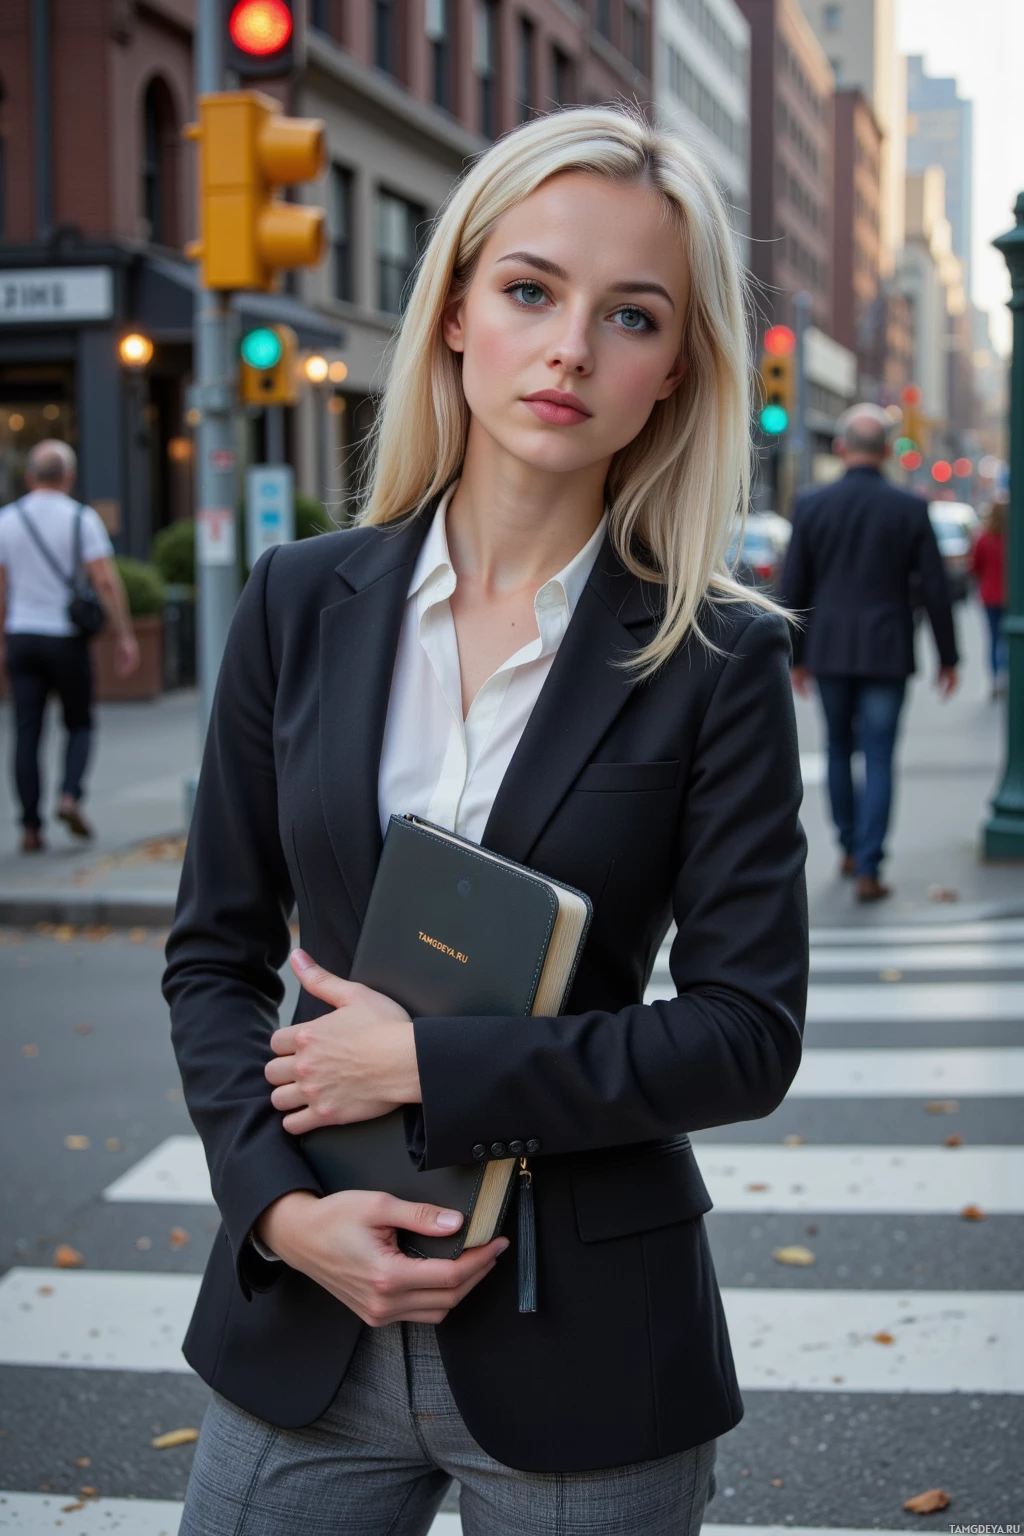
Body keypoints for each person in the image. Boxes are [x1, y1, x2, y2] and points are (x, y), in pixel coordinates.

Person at [163, 106, 808, 1536]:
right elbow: (211, 957)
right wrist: (276, 1213)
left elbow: (747, 1033)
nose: (571, 346)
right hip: (305, 1320)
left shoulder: (719, 660)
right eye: (531, 291)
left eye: (629, 316)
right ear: (456, 309)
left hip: (585, 1335)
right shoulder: (297, 602)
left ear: (674, 377)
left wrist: (433, 1067)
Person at [779, 404, 958, 904]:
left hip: (830, 649)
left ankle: (850, 847)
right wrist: (950, 657)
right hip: (887, 649)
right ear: (885, 451)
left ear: (840, 448)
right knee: (879, 756)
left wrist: (793, 655)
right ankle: (870, 864)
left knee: (839, 749)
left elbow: (793, 586)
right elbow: (936, 588)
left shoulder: (812, 505)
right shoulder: (909, 507)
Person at [0, 440, 139, 852]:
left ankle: (29, 827)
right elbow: (105, 580)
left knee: (26, 732)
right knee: (79, 722)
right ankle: (69, 795)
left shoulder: (7, 520)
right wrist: (124, 634)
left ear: (29, 477)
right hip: (66, 639)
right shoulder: (82, 519)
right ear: (69, 477)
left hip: (22, 635)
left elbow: (1, 589)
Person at [972, 497, 1007, 698]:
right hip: (1010, 597)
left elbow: (975, 567)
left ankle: (995, 678)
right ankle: (1006, 675)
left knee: (994, 638)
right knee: (1008, 639)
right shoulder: (1014, 538)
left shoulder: (985, 539)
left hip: (990, 595)